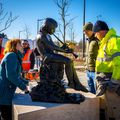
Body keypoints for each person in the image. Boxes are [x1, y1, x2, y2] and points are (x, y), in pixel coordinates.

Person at [36, 18, 88, 92]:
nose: (53, 30)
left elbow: (54, 47)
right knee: (68, 61)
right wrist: (65, 51)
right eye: (53, 28)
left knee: (69, 61)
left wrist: (62, 48)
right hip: (47, 57)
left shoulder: (47, 35)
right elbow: (53, 47)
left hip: (51, 54)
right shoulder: (41, 36)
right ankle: (72, 83)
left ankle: (76, 83)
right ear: (48, 26)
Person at [0, 39, 29, 120]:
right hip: (4, 93)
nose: (22, 46)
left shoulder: (14, 56)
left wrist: (26, 82)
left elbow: (16, 75)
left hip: (6, 91)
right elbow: (11, 75)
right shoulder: (11, 55)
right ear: (15, 46)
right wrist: (23, 87)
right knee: (6, 116)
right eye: (20, 44)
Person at [93, 20, 120, 96]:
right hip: (104, 81)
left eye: (96, 33)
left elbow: (119, 64)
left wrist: (114, 83)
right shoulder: (105, 42)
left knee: (109, 106)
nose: (95, 36)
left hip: (109, 83)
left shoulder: (113, 41)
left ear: (101, 31)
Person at [83, 22, 99, 94]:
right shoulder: (87, 41)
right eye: (84, 31)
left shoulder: (97, 40)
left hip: (95, 71)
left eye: (86, 31)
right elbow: (87, 55)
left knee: (97, 91)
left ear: (92, 30)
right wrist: (85, 65)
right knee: (91, 91)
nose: (85, 33)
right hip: (88, 70)